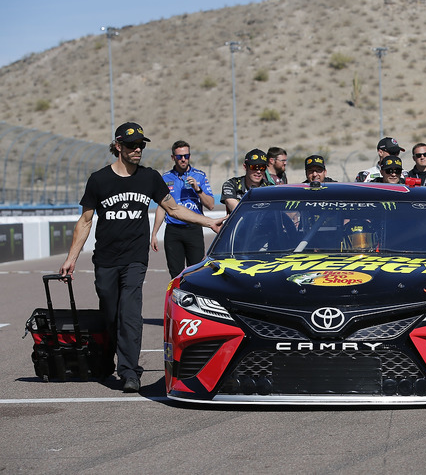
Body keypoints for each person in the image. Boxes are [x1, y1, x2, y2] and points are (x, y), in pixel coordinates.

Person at [59, 122, 225, 393]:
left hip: (135, 258)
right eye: (132, 145)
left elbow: (173, 208)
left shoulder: (149, 177)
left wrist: (208, 223)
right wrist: (71, 258)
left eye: (141, 145)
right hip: (105, 259)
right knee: (111, 313)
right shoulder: (99, 180)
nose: (138, 149)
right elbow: (86, 221)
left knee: (131, 314)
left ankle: (129, 371)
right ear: (117, 146)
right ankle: (107, 360)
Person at [150, 140, 215, 279]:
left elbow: (210, 205)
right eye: (180, 157)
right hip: (173, 231)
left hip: (194, 229)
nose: (183, 159)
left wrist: (198, 189)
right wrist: (154, 233)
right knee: (175, 274)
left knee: (197, 272)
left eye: (186, 156)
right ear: (173, 157)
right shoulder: (165, 178)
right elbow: (162, 207)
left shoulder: (200, 175)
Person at [220, 149, 270, 213]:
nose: (258, 171)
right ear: (245, 167)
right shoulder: (231, 185)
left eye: (262, 167)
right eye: (254, 167)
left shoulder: (270, 188)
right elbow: (236, 209)